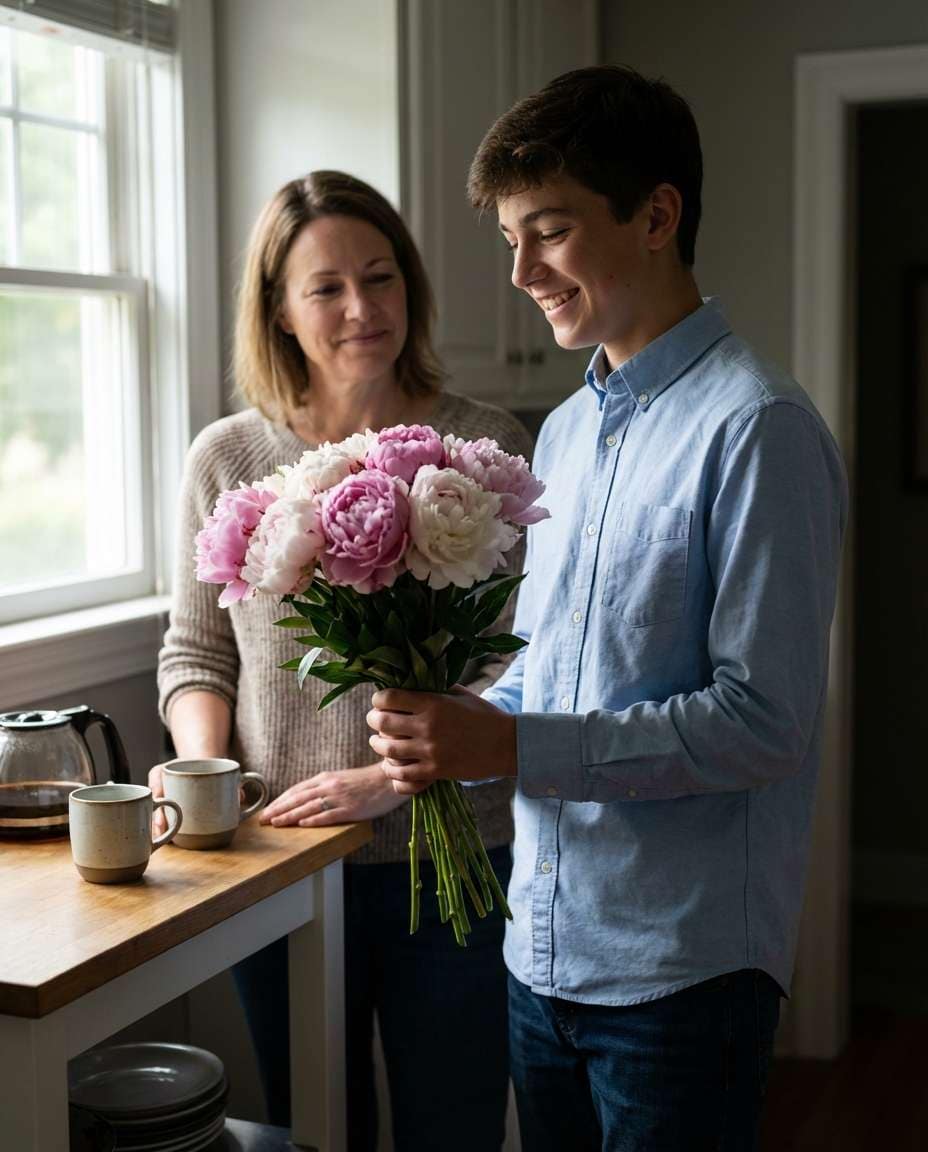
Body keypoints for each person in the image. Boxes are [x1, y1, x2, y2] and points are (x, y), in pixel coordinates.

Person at [367, 65, 848, 1152]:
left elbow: (762, 722)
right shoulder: (570, 434)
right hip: (536, 954)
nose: (522, 270)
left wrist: (515, 743)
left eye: (549, 231)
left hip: (679, 977)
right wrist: (453, 735)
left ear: (656, 216)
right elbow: (554, 665)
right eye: (511, 240)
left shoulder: (758, 429)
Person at [154, 170, 532, 1152]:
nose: (362, 309)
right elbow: (196, 651)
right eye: (326, 287)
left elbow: (516, 664)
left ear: (410, 285)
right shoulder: (226, 459)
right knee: (311, 1128)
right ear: (279, 309)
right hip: (278, 854)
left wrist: (386, 780)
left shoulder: (484, 447)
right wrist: (207, 767)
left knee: (451, 1126)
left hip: (454, 856)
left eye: (381, 278)